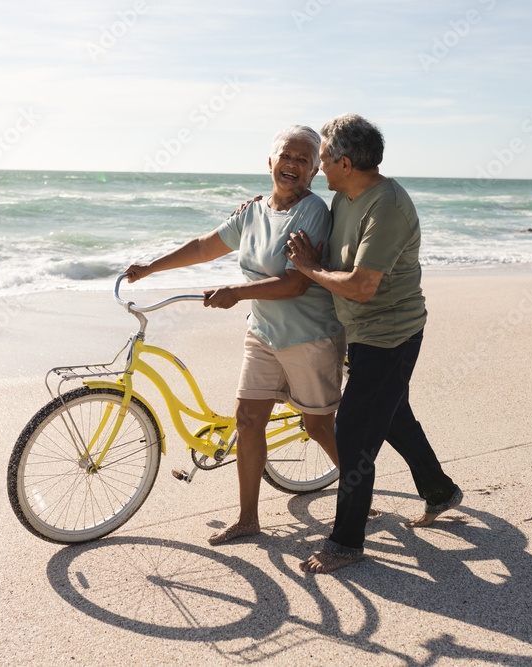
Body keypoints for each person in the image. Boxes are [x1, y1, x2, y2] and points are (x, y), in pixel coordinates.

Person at [123, 125, 346, 545]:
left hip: (310, 336)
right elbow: (206, 245)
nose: (293, 164)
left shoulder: (314, 212)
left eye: (304, 159)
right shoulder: (254, 210)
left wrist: (236, 292)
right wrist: (152, 266)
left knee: (317, 426)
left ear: (316, 170)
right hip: (263, 332)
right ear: (270, 161)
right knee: (247, 420)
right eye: (286, 155)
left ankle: (358, 493)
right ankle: (248, 519)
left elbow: (296, 283)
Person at [285, 114, 462, 573]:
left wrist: (307, 270)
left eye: (322, 159)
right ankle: (439, 490)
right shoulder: (346, 194)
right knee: (392, 415)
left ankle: (346, 542)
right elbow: (303, 208)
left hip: (391, 335)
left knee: (355, 434)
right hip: (360, 332)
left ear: (345, 162)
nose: (319, 168)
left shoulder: (387, 207)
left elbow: (363, 286)